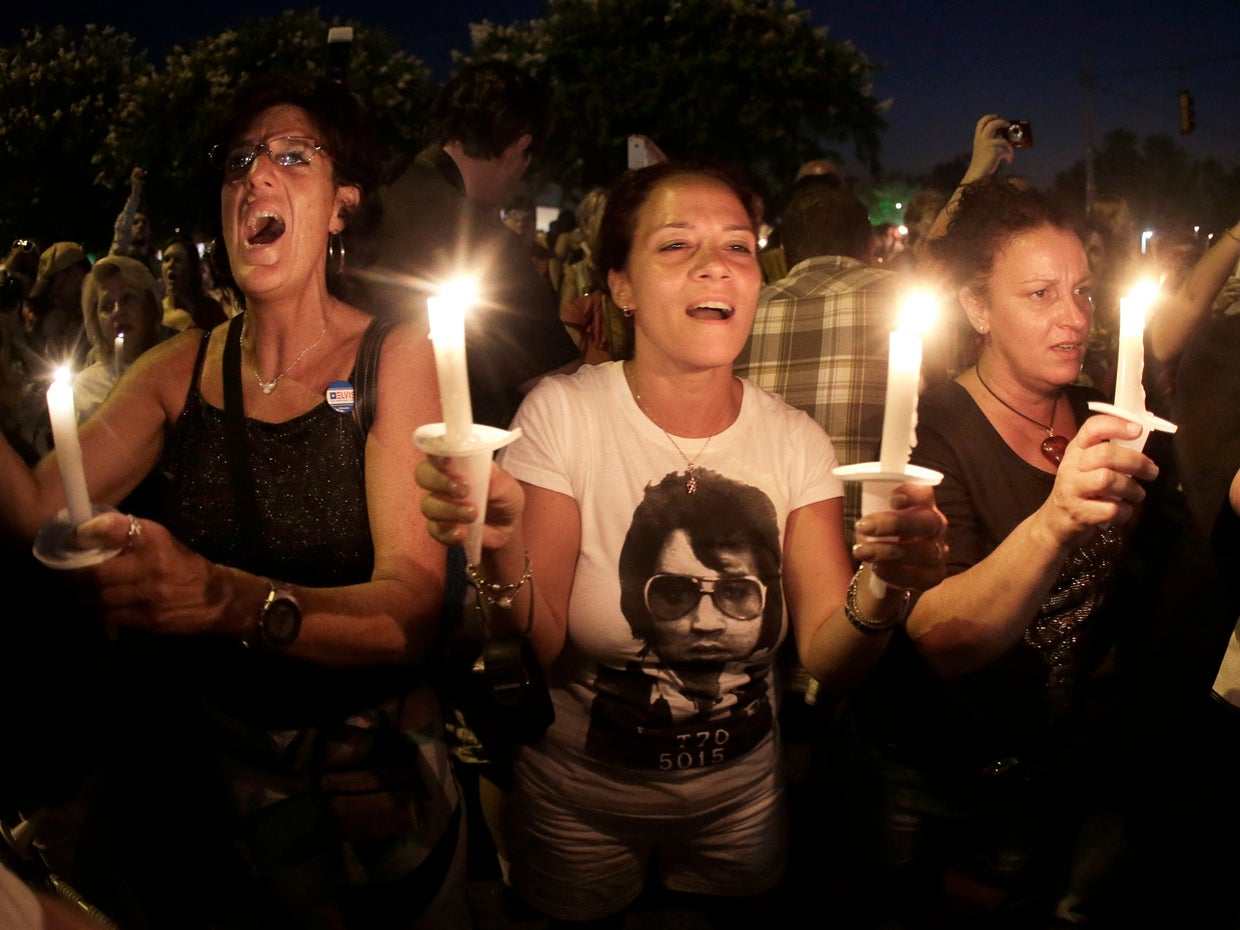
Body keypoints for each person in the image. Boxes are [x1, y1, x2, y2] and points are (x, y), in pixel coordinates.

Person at [416, 161, 948, 929]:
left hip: (740, 811)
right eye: (675, 246)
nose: (714, 265)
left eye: (737, 246)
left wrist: (889, 584)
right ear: (621, 287)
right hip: (576, 808)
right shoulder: (564, 415)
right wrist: (495, 548)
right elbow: (542, 635)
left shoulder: (796, 441)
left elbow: (831, 655)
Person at [0, 73, 467, 930]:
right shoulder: (179, 368)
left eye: (293, 156)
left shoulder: (393, 361)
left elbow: (409, 610)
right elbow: (38, 507)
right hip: (228, 787)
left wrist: (225, 600)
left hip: (377, 777)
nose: (255, 178)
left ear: (340, 205)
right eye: (239, 161)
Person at [829, 176, 1160, 929]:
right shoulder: (931, 429)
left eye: (1082, 291)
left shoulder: (1113, 408)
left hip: (1046, 769)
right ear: (978, 307)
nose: (1074, 318)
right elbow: (942, 638)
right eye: (1041, 294)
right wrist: (1058, 517)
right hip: (920, 776)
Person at [355, 59, 580, 431]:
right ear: (519, 146)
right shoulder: (482, 240)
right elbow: (557, 386)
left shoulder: (373, 190)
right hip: (441, 460)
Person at [158, 232, 227, 332]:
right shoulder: (156, 313)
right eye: (166, 259)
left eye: (178, 260)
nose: (170, 264)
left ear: (191, 268)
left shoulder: (210, 310)